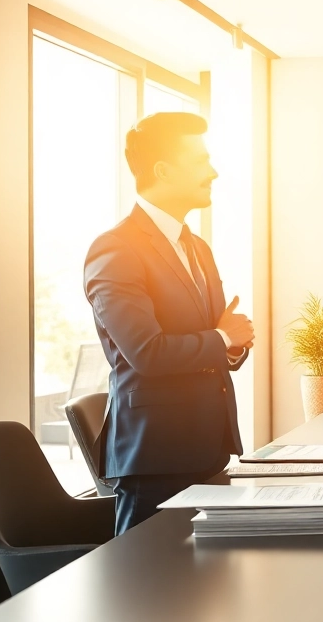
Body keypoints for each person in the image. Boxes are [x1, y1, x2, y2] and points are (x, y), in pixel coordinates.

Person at [84, 111, 255, 537]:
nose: (212, 172)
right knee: (148, 591)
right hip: (155, 458)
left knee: (208, 590)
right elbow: (147, 352)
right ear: (163, 170)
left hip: (208, 449)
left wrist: (232, 345)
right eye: (200, 161)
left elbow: (219, 336)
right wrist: (221, 337)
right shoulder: (115, 249)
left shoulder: (195, 245)